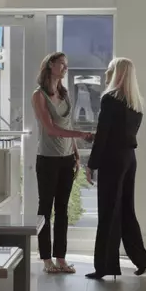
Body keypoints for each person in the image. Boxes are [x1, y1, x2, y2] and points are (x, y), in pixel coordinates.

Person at [84, 57, 146, 280]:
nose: (106, 72)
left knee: (107, 213)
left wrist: (91, 164)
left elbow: (103, 136)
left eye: (110, 69)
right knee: (126, 211)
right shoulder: (136, 103)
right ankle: (142, 261)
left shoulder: (110, 99)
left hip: (112, 160)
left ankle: (105, 266)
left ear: (116, 73)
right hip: (129, 159)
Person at [32, 52, 94, 274]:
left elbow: (67, 124)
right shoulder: (39, 96)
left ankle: (61, 259)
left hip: (67, 159)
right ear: (50, 65)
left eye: (67, 65)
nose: (66, 68)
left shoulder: (65, 94)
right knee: (45, 209)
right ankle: (46, 259)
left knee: (62, 210)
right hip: (47, 160)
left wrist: (76, 154)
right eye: (62, 64)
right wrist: (82, 134)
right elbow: (50, 129)